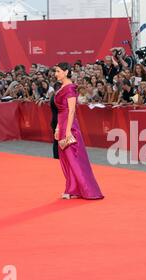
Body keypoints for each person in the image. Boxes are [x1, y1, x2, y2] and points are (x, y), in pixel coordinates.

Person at [53, 62, 104, 200]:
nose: (56, 74)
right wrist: (58, 127)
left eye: (58, 71)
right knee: (66, 159)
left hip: (70, 126)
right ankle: (73, 189)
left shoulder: (70, 88)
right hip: (63, 125)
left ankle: (88, 190)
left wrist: (68, 130)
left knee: (74, 158)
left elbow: (71, 111)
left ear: (66, 71)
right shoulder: (61, 87)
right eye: (55, 71)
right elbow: (61, 111)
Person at [50, 81, 62, 159]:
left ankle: (57, 157)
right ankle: (57, 157)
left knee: (56, 140)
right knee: (58, 140)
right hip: (58, 122)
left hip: (55, 121)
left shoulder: (53, 97)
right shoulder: (56, 98)